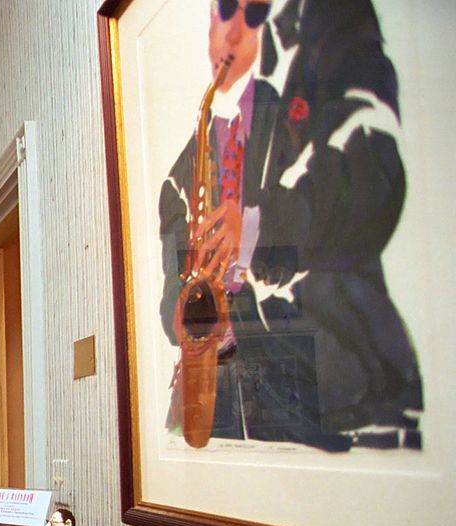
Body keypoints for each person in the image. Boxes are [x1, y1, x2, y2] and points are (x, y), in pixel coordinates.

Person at [157, 0, 422, 451]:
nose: (237, 32)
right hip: (228, 410)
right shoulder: (183, 171)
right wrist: (190, 311)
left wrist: (261, 229)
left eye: (254, 13)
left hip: (343, 394)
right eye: (225, 12)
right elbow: (170, 304)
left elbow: (374, 165)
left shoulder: (319, 72)